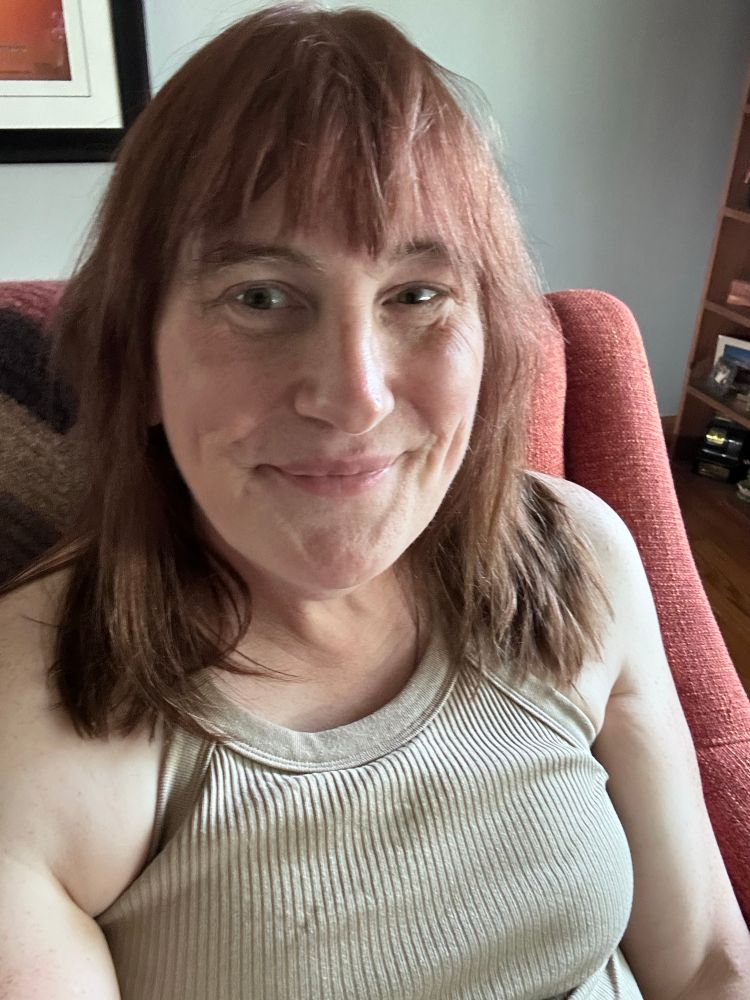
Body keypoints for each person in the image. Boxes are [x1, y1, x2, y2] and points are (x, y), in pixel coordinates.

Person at [0, 5, 748, 999]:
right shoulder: (38, 712)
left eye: (417, 295)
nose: (354, 395)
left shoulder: (577, 555)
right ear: (137, 352)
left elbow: (703, 960)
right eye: (261, 296)